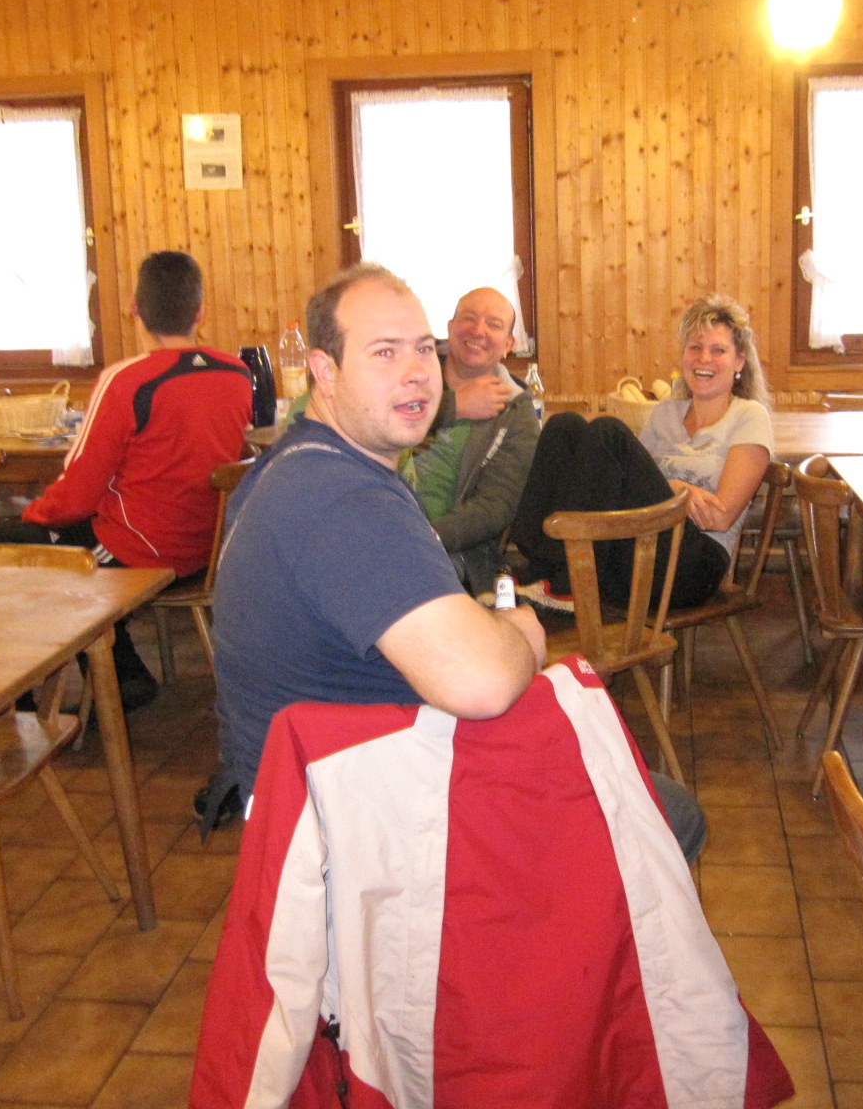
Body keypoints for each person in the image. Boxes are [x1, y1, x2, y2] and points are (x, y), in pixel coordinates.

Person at [204, 264, 706, 860]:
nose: (416, 371)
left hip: (328, 783)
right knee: (668, 812)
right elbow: (482, 683)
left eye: (422, 349)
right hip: (357, 821)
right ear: (325, 371)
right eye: (384, 352)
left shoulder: (299, 465)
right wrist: (521, 634)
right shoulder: (344, 499)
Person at [0, 251, 252, 708]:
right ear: (199, 312)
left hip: (142, 554)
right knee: (69, 538)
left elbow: (75, 496)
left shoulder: (125, 381)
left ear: (135, 309)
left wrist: (34, 519)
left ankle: (24, 706)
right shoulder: (237, 374)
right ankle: (123, 671)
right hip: (210, 552)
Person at [512, 294, 773, 612]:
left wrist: (674, 491)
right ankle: (541, 570)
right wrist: (674, 490)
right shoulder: (666, 412)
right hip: (637, 549)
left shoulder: (749, 417)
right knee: (564, 426)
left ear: (739, 361)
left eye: (718, 350)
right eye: (695, 348)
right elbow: (630, 485)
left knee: (608, 432)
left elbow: (718, 518)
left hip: (692, 566)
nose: (704, 358)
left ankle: (566, 583)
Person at [412, 286, 538, 592]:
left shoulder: (516, 411)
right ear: (450, 328)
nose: (478, 330)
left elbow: (495, 506)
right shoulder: (410, 376)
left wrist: (426, 537)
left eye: (493, 324)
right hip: (375, 520)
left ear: (508, 345)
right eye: (469, 318)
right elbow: (369, 422)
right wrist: (453, 406)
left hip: (449, 549)